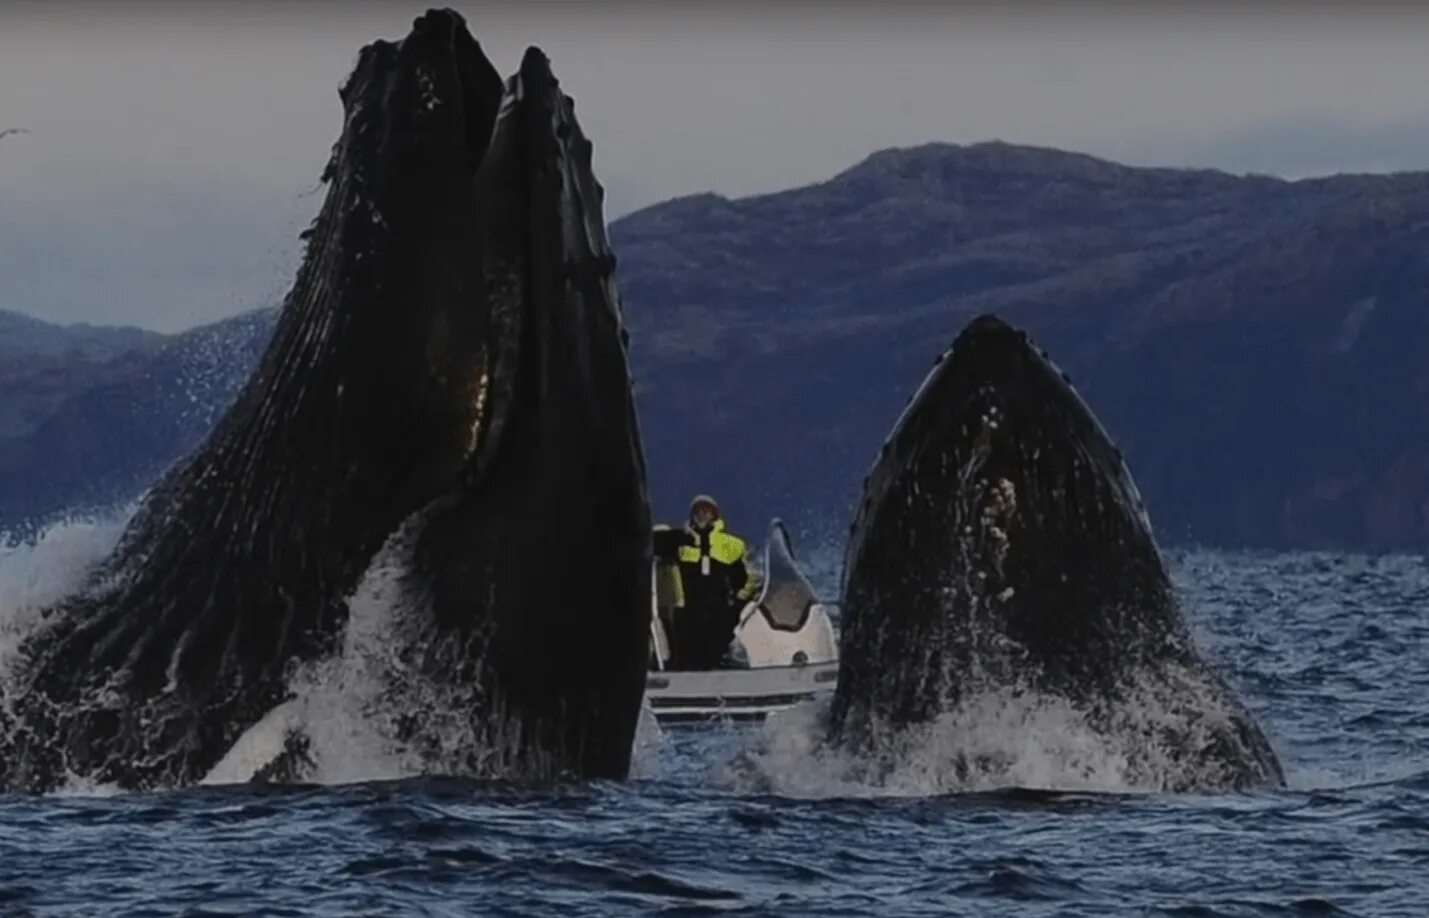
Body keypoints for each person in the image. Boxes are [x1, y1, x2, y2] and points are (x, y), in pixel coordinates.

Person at [668, 494, 761, 669]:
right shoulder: (679, 544)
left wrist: (739, 602)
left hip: (720, 611)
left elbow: (751, 578)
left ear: (715, 516)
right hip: (687, 611)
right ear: (692, 516)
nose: (702, 516)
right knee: (686, 651)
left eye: (707, 512)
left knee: (718, 647)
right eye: (698, 512)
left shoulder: (732, 545)